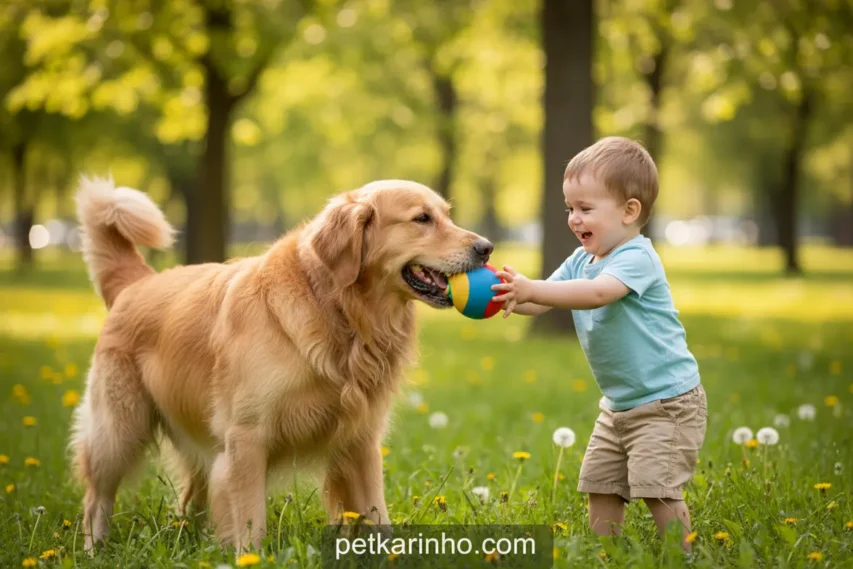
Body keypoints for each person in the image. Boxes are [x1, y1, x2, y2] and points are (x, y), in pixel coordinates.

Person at [491, 136, 706, 551]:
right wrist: (506, 296)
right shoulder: (579, 259)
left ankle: (684, 556)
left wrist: (532, 286)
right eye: (570, 208)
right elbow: (540, 303)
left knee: (657, 487)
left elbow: (597, 294)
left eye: (586, 209)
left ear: (629, 211)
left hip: (668, 403)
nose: (574, 218)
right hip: (619, 406)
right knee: (600, 483)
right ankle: (605, 553)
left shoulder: (636, 257)